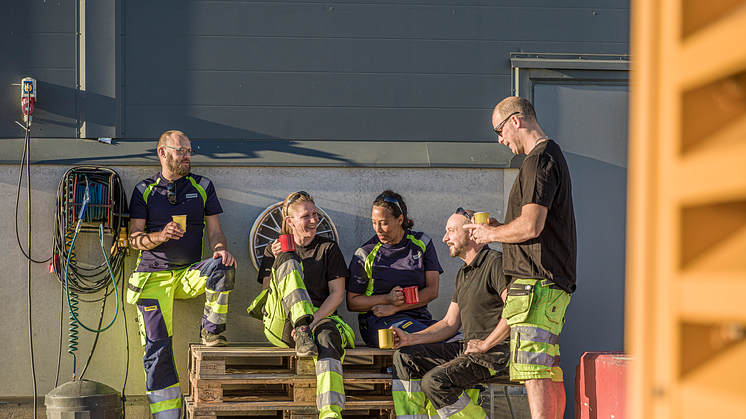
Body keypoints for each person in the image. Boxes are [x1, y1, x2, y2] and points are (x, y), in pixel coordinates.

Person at [465, 96, 576, 419]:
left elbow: (531, 226)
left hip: (536, 287)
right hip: (549, 286)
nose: (501, 140)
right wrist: (501, 228)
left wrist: (489, 235)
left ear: (516, 120)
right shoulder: (549, 157)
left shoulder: (538, 160)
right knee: (548, 367)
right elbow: (534, 225)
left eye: (500, 130)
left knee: (533, 370)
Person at [127, 130, 237, 419]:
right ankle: (168, 416)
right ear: (163, 153)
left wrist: (220, 249)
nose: (188, 156)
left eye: (190, 151)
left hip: (187, 273)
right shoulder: (144, 189)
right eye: (181, 151)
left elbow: (215, 231)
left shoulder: (202, 186)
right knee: (158, 351)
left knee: (222, 265)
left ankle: (211, 332)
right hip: (152, 278)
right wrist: (161, 236)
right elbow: (133, 238)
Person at [391, 208, 510, 419]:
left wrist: (486, 344)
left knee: (434, 381)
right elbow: (449, 323)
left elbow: (514, 311)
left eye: (451, 231)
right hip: (469, 349)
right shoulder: (463, 273)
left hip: (494, 355)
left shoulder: (495, 263)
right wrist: (409, 339)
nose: (445, 238)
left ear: (472, 233)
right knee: (405, 357)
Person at [248, 191, 355, 419]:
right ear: (290, 221)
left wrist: (310, 322)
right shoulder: (273, 249)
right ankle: (301, 322)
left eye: (315, 214)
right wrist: (275, 260)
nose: (314, 220)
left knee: (328, 339)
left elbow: (337, 295)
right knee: (288, 259)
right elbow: (268, 293)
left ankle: (330, 414)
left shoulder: (328, 249)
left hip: (317, 321)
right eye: (306, 216)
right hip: (284, 323)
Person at [347, 190, 442, 347]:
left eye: (384, 223)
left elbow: (432, 291)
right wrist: (387, 299)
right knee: (426, 342)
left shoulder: (422, 243)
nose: (378, 229)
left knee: (455, 341)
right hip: (379, 321)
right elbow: (352, 302)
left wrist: (395, 307)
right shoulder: (365, 253)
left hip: (419, 317)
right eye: (374, 222)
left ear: (400, 220)